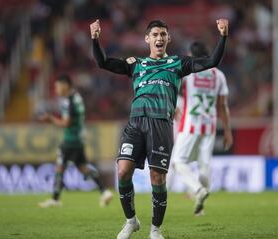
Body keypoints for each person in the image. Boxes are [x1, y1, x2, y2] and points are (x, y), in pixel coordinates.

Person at [90, 18, 228, 239]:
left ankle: (155, 229)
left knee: (158, 178)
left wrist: (223, 36)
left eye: (163, 34)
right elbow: (103, 63)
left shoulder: (178, 63)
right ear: (147, 39)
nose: (159, 38)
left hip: (161, 124)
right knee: (123, 170)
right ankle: (131, 221)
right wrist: (95, 39)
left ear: (168, 38)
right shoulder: (136, 64)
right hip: (135, 122)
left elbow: (212, 61)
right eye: (155, 34)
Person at [169, 41, 233, 216]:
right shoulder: (219, 75)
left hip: (190, 123)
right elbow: (223, 106)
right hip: (210, 126)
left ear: (192, 55)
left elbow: (173, 84)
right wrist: (227, 131)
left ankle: (197, 190)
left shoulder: (190, 73)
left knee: (178, 162)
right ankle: (200, 208)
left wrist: (172, 104)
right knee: (204, 166)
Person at [38, 74, 113, 208]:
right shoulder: (77, 98)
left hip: (70, 140)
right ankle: (104, 191)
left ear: (65, 85)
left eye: (57, 86)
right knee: (83, 168)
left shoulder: (69, 101)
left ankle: (55, 200)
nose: (56, 89)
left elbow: (66, 123)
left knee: (60, 167)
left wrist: (50, 119)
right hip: (79, 140)